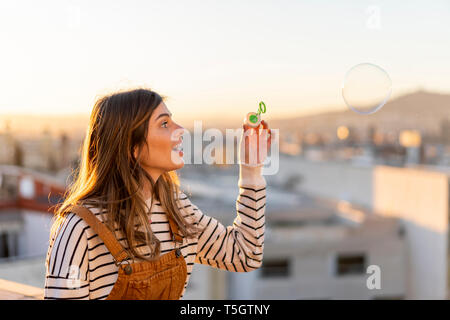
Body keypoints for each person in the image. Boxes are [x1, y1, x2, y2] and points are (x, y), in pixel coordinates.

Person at [44, 88, 272, 299]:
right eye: (164, 124)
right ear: (131, 148)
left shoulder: (177, 210)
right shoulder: (79, 229)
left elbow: (245, 254)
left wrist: (251, 172)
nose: (180, 130)